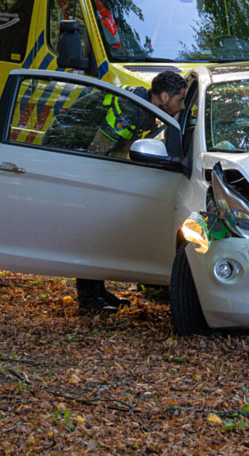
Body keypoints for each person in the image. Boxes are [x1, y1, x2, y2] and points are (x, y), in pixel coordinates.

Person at [43, 70, 189, 314]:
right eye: (180, 100)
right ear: (164, 97)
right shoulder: (129, 111)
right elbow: (99, 150)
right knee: (92, 226)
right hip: (64, 152)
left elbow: (120, 147)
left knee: (98, 225)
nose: (182, 106)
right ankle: (88, 297)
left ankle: (96, 289)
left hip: (81, 154)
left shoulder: (145, 108)